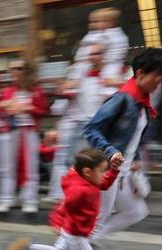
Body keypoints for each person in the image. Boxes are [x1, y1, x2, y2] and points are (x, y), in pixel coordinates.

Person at [81, 48, 162, 247]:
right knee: (98, 219)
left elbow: (132, 137)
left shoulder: (142, 102)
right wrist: (111, 152)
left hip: (122, 172)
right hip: (107, 170)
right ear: (140, 73)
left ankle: (90, 244)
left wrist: (136, 157)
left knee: (136, 211)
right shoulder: (122, 99)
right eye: (158, 75)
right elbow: (91, 129)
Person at [16, 148, 119, 250]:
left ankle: (29, 247)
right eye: (102, 171)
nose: (104, 174)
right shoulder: (80, 190)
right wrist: (57, 221)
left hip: (71, 230)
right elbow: (64, 206)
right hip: (77, 234)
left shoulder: (90, 181)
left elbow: (105, 184)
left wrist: (114, 169)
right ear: (87, 172)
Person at [47, 43, 114, 202]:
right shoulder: (81, 74)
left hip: (100, 126)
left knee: (102, 164)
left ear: (103, 55)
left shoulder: (111, 74)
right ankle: (70, 195)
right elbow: (66, 92)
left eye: (97, 53)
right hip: (81, 124)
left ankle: (104, 200)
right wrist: (64, 88)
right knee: (76, 162)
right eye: (91, 54)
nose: (93, 56)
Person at [0, 60, 50, 214]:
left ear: (26, 71)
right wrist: (2, 106)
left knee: (30, 167)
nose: (15, 72)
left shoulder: (36, 90)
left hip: (28, 132)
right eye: (12, 69)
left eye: (19, 68)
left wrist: (28, 108)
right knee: (6, 168)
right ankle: (5, 199)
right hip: (8, 132)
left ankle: (30, 200)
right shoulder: (6, 91)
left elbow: (44, 110)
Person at [69, 7, 129, 84]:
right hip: (88, 72)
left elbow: (113, 57)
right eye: (92, 22)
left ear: (109, 22)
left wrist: (95, 60)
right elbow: (81, 55)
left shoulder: (117, 37)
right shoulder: (92, 35)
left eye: (97, 21)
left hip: (110, 72)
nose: (92, 25)